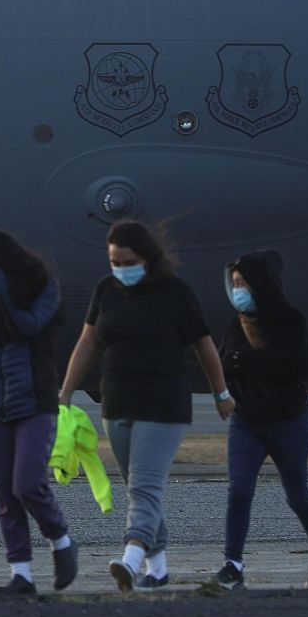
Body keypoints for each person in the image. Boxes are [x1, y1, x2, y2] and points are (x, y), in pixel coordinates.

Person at [58, 220, 234, 593]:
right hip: (117, 404)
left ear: (147, 258)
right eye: (115, 262)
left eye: (128, 261)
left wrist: (221, 393)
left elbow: (203, 345)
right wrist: (66, 391)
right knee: (137, 488)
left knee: (145, 488)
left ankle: (131, 560)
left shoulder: (175, 293)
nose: (121, 270)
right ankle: (159, 568)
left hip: (164, 406)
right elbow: (88, 342)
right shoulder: (106, 290)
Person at [0, 230, 78, 596]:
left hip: (34, 402)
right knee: (5, 495)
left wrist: (3, 290)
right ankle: (21, 573)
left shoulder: (44, 289)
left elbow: (30, 326)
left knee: (27, 484)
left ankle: (60, 540)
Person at [215, 250, 308, 590]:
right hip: (246, 422)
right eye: (234, 283)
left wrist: (248, 364)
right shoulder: (233, 326)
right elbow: (224, 367)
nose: (238, 290)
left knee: (296, 494)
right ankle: (233, 565)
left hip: (288, 421)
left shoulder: (291, 322)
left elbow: (298, 370)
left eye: (244, 283)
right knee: (239, 490)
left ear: (261, 286)